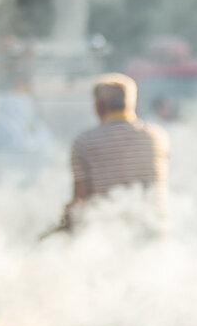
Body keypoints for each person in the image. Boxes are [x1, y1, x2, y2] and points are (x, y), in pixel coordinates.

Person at [65, 72, 169, 233]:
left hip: (107, 234)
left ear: (99, 106)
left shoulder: (85, 142)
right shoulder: (156, 137)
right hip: (152, 228)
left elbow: (81, 202)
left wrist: (65, 228)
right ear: (132, 103)